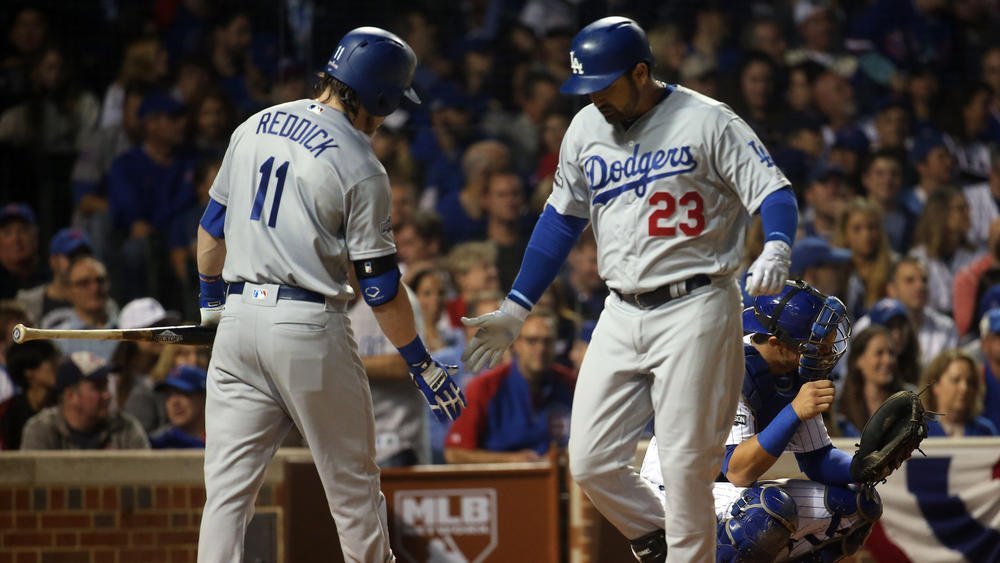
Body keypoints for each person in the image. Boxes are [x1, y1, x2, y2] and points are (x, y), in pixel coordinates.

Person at [460, 17, 799, 562]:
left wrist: (778, 244)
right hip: (620, 310)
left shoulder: (708, 120)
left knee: (688, 466)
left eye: (604, 83)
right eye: (586, 86)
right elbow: (559, 222)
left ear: (641, 72)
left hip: (699, 304)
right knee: (590, 460)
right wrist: (516, 307)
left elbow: (774, 191)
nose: (594, 96)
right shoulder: (585, 128)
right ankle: (659, 534)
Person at [193, 27, 466, 563]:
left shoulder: (254, 125)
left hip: (239, 321)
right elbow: (382, 290)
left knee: (225, 499)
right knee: (354, 492)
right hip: (307, 327)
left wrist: (210, 304)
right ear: (382, 98)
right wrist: (420, 363)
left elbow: (210, 233)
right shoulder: (362, 166)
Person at [641, 281, 882, 561]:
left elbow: (817, 459)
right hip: (672, 494)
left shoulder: (793, 370)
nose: (826, 351)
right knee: (763, 513)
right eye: (815, 346)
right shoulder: (727, 368)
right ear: (777, 344)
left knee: (855, 505)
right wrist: (793, 412)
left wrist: (862, 466)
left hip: (722, 493)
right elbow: (739, 471)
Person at [445, 310, 574, 463]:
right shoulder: (484, 387)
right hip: (499, 481)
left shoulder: (571, 384)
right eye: (532, 341)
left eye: (547, 341)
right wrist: (512, 461)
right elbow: (454, 453)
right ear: (515, 344)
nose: (541, 349)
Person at [20, 351, 149, 450]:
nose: (107, 395)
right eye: (98, 388)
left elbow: (147, 479)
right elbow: (32, 483)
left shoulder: (125, 428)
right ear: (70, 396)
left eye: (106, 386)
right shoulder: (42, 430)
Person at [837, 326, 907, 437]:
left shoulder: (908, 404)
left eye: (891, 353)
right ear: (859, 360)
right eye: (879, 353)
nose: (888, 360)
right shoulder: (840, 411)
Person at [918, 350, 997, 437]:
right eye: (955, 380)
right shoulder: (919, 431)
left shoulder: (984, 431)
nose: (964, 388)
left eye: (970, 382)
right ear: (935, 385)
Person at [0, 340, 60, 450]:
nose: (59, 367)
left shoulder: (63, 405)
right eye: (52, 362)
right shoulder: (7, 412)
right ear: (29, 372)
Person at [150, 365, 208, 449]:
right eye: (168, 395)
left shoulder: (224, 439)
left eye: (183, 392)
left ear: (204, 397)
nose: (174, 402)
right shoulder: (157, 444)